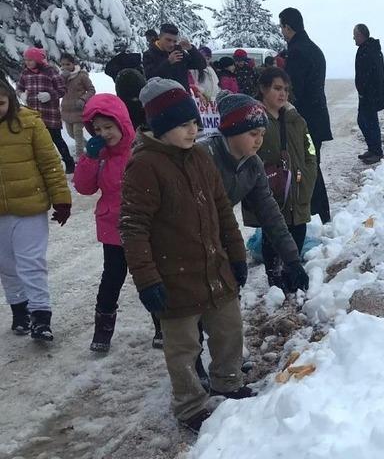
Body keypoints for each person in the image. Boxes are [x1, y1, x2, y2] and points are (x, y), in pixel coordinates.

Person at [121, 78, 255, 433]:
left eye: (195, 122)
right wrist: (147, 280)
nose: (193, 130)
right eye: (183, 124)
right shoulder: (145, 165)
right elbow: (133, 228)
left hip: (215, 268)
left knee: (229, 330)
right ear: (160, 125)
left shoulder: (200, 157)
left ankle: (228, 382)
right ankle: (190, 405)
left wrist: (236, 254)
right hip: (174, 278)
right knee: (183, 348)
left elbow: (222, 209)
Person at [197, 91, 310, 293]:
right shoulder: (204, 157)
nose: (259, 141)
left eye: (262, 134)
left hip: (217, 233)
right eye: (253, 134)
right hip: (186, 239)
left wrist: (292, 260)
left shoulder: (253, 164)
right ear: (232, 131)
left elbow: (269, 213)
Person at [0, 78, 72, 341]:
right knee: (6, 265)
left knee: (31, 263)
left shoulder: (30, 122)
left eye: (0, 102)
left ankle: (41, 316)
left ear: (10, 99)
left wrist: (61, 198)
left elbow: (50, 162)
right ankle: (20, 310)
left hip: (29, 207)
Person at [72, 94, 135, 352]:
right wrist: (90, 158)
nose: (103, 134)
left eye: (108, 127)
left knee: (150, 277)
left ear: (122, 123)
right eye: (97, 129)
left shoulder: (139, 150)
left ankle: (161, 325)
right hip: (112, 226)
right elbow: (84, 188)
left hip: (143, 225)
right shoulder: (100, 156)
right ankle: (103, 330)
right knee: (112, 279)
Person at [251, 68, 317, 288]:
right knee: (273, 236)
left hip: (298, 189)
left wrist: (308, 175)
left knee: (298, 230)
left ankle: (293, 279)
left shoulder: (295, 119)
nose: (283, 94)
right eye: (277, 88)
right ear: (263, 89)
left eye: (286, 90)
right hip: (272, 191)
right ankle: (275, 282)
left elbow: (310, 149)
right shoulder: (255, 121)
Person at [279, 7, 332, 224]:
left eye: (282, 27)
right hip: (316, 118)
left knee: (307, 167)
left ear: (287, 27)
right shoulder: (313, 48)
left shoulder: (297, 52)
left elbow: (293, 91)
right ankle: (320, 214)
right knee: (311, 164)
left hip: (305, 121)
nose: (281, 32)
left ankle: (318, 214)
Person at [15, 47, 75, 173]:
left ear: (37, 60)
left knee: (57, 140)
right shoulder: (25, 73)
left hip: (50, 115)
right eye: (26, 60)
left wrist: (50, 95)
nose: (27, 62)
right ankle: (41, 166)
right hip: (33, 115)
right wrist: (21, 94)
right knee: (36, 142)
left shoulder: (50, 71)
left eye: (30, 60)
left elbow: (62, 90)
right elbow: (19, 88)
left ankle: (69, 163)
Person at [353, 23, 384, 165]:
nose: (353, 38)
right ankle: (373, 149)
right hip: (366, 94)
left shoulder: (369, 50)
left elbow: (371, 74)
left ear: (361, 35)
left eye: (355, 35)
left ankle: (377, 152)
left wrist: (366, 91)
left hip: (370, 94)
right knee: (365, 121)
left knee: (369, 122)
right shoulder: (366, 48)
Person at [142, 23, 206, 91]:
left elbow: (201, 65)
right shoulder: (149, 54)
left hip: (183, 95)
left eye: (175, 41)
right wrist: (168, 62)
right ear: (160, 37)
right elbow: (150, 77)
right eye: (168, 40)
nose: (171, 44)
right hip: (163, 95)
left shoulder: (178, 52)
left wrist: (191, 49)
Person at [59, 53, 96, 159]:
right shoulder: (60, 77)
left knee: (77, 133)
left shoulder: (81, 76)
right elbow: (58, 90)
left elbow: (91, 90)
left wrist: (83, 99)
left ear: (73, 64)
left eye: (68, 64)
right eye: (63, 65)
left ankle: (80, 157)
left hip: (79, 110)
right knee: (71, 134)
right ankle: (88, 145)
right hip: (66, 111)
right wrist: (63, 79)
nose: (65, 67)